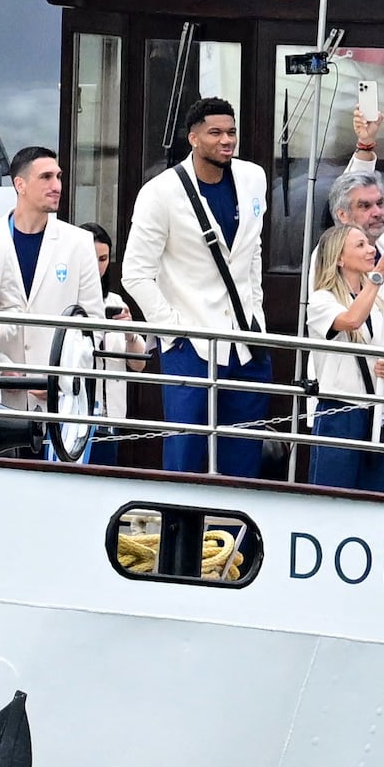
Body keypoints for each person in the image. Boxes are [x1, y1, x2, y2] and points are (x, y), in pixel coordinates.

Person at [121, 97, 273, 481]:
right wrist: (175, 332)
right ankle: (180, 537)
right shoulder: (160, 192)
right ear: (193, 138)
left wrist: (256, 315)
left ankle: (235, 540)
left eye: (231, 132)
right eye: (216, 133)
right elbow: (135, 273)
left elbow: (253, 252)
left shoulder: (254, 177)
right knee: (185, 457)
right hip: (191, 343)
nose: (227, 140)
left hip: (246, 341)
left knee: (244, 457)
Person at [0, 142, 109, 460]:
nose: (56, 185)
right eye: (46, 177)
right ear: (20, 184)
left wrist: (59, 377)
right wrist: (5, 372)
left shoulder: (78, 243)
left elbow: (93, 327)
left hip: (60, 401)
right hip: (2, 396)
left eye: (58, 176)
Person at [302, 228, 384, 496]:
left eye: (369, 244)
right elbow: (351, 320)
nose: (370, 249)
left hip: (379, 412)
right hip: (340, 410)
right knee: (333, 497)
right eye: (360, 245)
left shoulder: (380, 301)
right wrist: (378, 276)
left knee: (378, 500)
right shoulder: (321, 300)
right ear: (340, 259)